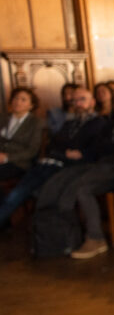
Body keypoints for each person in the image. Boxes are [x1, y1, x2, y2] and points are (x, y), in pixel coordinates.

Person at [37, 90, 114, 259]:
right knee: (80, 186)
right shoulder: (110, 126)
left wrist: (113, 146)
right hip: (105, 168)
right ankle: (93, 237)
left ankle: (80, 230)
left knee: (84, 179)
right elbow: (99, 148)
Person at [0, 86, 107, 231]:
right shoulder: (70, 123)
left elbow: (98, 150)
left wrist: (80, 153)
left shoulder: (100, 123)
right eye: (75, 101)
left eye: (82, 99)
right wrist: (65, 151)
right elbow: (54, 145)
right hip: (52, 162)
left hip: (75, 166)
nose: (78, 104)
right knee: (22, 190)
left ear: (92, 102)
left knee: (21, 192)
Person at [0, 87, 43, 182]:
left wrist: (6, 157)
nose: (18, 102)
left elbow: (32, 151)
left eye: (23, 99)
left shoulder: (36, 123)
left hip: (19, 163)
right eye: (16, 98)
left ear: (31, 105)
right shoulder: (3, 119)